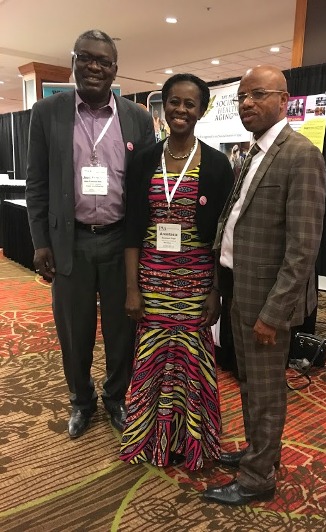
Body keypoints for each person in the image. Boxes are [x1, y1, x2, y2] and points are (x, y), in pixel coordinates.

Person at [202, 65, 326, 506]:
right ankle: (260, 454)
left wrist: (275, 314)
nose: (246, 104)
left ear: (284, 99)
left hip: (267, 299)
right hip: (239, 286)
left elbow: (302, 250)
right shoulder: (252, 152)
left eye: (257, 94)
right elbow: (232, 220)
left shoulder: (300, 155)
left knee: (267, 388)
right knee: (250, 383)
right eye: (240, 98)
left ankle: (258, 480)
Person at [25, 29, 155, 439]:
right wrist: (40, 240)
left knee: (122, 331)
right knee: (73, 330)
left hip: (121, 243)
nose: (95, 66)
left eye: (104, 61)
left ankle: (116, 397)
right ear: (74, 63)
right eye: (87, 58)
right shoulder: (48, 113)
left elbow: (146, 188)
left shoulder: (138, 118)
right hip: (71, 241)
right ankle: (82, 401)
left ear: (115, 70)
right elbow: (37, 183)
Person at [119, 73, 234, 471]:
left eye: (190, 104)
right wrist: (132, 288)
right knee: (151, 359)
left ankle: (192, 441)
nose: (181, 110)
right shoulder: (144, 160)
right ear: (163, 107)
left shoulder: (218, 165)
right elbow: (132, 228)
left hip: (197, 281)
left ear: (201, 110)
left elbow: (221, 238)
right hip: (152, 279)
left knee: (191, 361)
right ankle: (152, 439)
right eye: (174, 102)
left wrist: (215, 290)